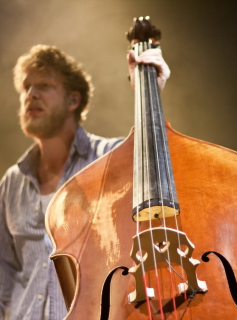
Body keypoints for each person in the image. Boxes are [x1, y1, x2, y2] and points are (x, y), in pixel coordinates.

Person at [0, 44, 170, 320]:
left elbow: (157, 163)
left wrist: (149, 90)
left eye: (43, 85)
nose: (31, 94)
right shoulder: (12, 181)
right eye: (26, 87)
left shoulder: (109, 158)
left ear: (73, 101)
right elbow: (3, 274)